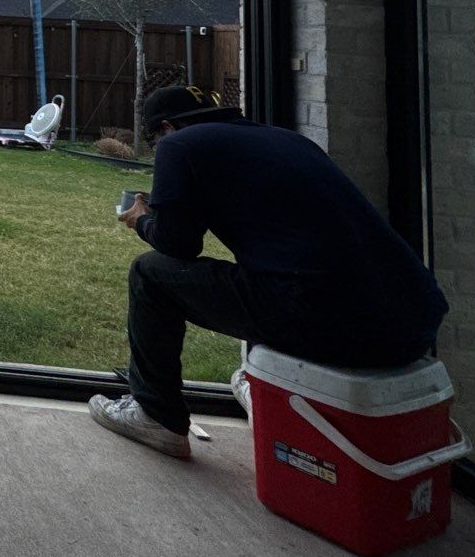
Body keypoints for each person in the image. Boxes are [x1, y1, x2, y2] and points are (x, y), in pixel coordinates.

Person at [88, 85, 448, 458]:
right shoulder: (287, 140)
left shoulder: (179, 145)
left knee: (150, 274)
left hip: (336, 323)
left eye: (155, 139)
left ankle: (155, 416)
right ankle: (263, 388)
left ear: (166, 127)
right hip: (414, 322)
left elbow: (178, 243)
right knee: (277, 267)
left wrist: (143, 219)